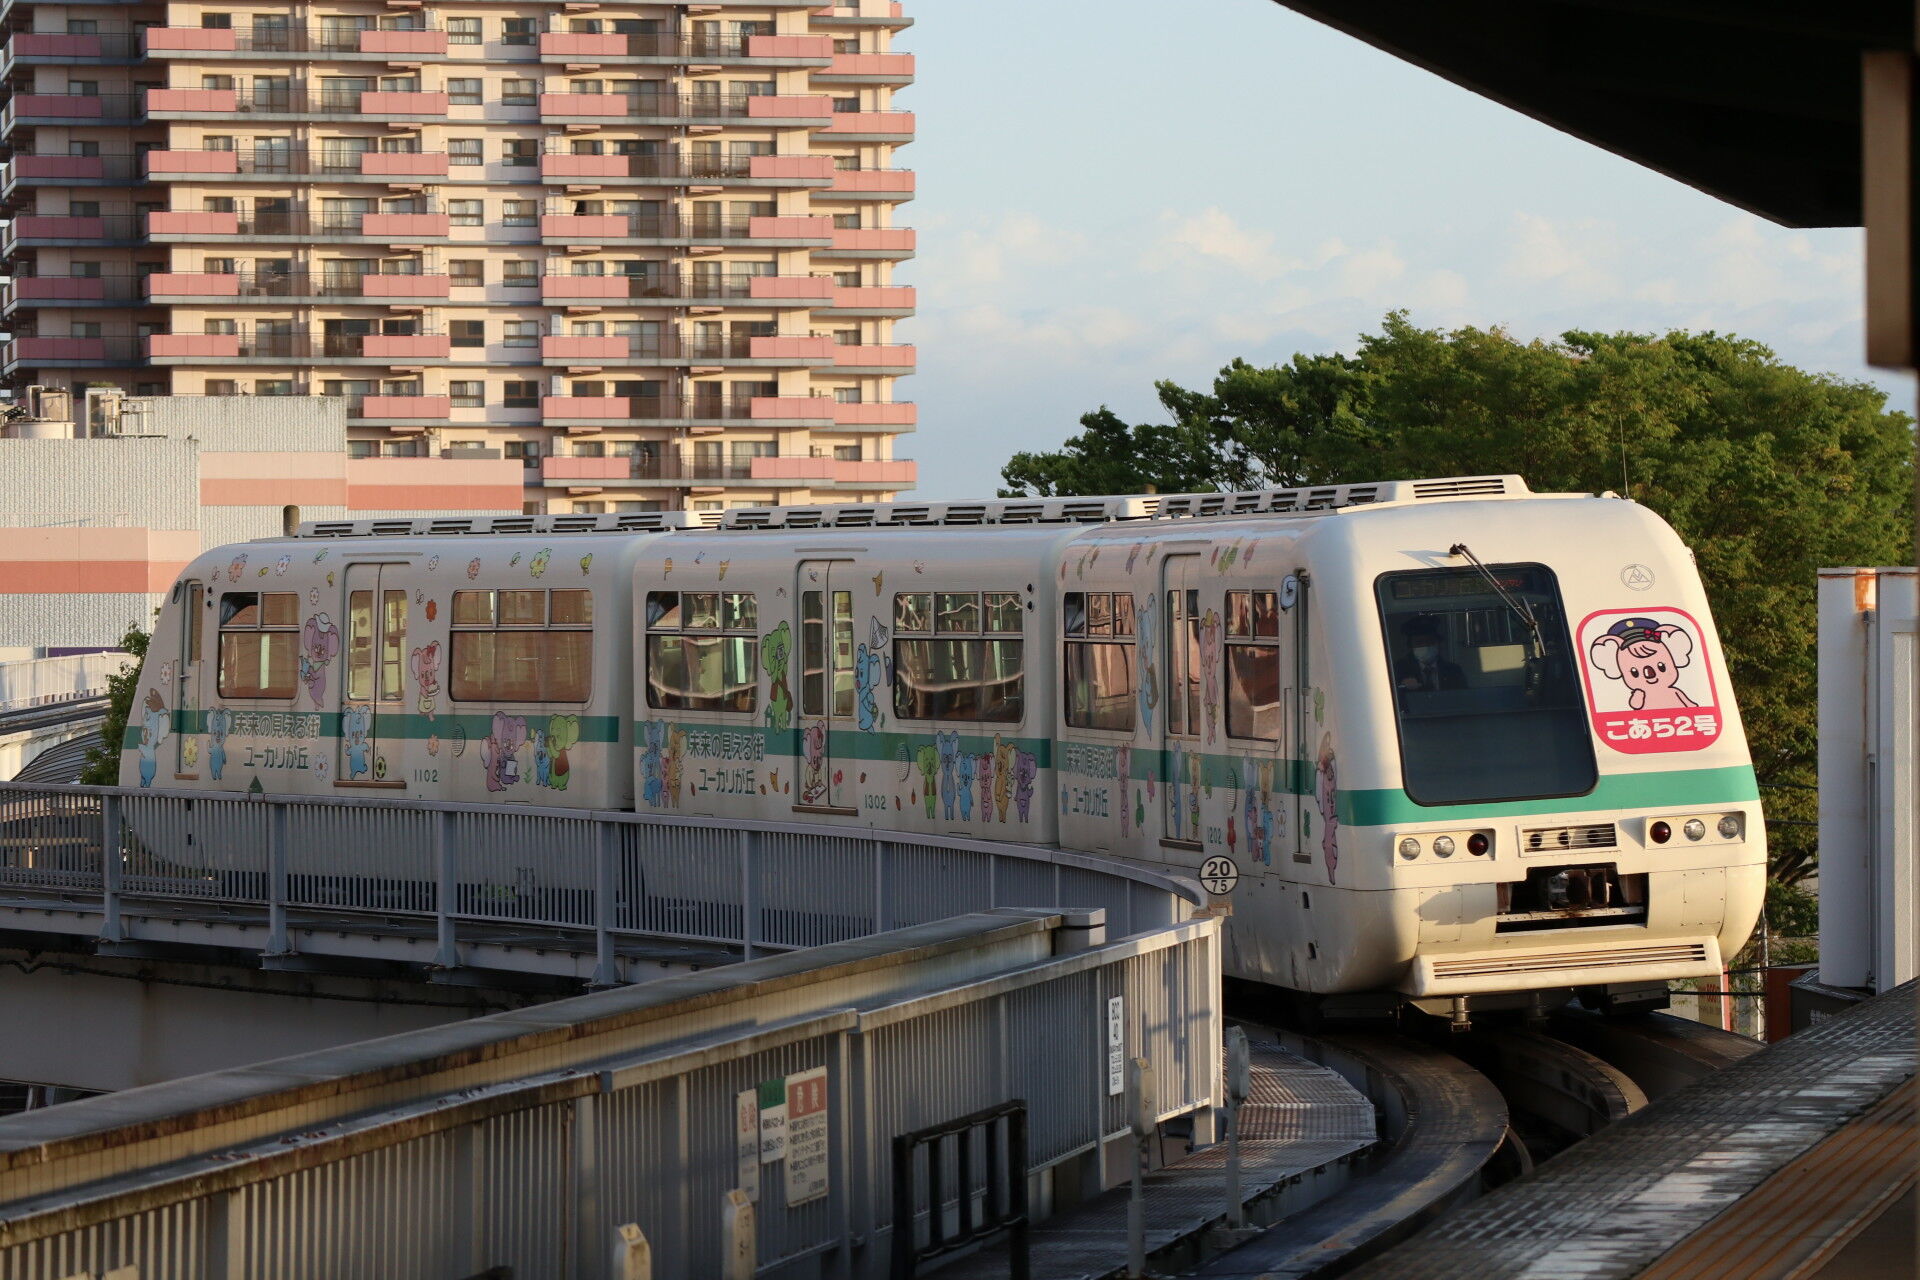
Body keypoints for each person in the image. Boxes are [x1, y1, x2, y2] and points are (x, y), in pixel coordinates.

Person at [1395, 617, 1466, 691]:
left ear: (1438, 643)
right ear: (1410, 646)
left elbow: (1463, 696)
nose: (1425, 646)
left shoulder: (1453, 671)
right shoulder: (1400, 670)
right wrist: (1402, 686)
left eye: (1430, 641)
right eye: (1419, 642)